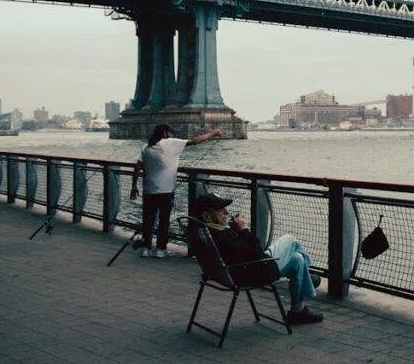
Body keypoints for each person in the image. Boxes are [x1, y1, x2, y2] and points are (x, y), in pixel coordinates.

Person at [190, 192, 323, 324]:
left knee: (298, 259)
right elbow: (257, 252)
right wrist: (244, 229)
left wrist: (235, 231)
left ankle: (298, 311)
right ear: (206, 215)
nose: (226, 212)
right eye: (221, 210)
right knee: (290, 240)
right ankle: (308, 278)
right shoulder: (222, 236)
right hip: (253, 273)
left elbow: (240, 252)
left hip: (235, 272)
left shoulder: (205, 233)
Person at [130, 124, 223, 259]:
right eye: (171, 133)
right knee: (164, 221)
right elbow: (196, 141)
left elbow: (138, 167)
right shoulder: (170, 143)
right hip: (166, 190)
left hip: (149, 190)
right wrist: (214, 132)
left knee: (148, 220)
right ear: (166, 133)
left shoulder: (146, 147)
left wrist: (134, 186)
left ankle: (146, 248)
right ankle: (161, 250)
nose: (172, 135)